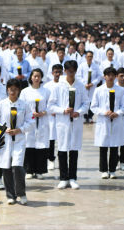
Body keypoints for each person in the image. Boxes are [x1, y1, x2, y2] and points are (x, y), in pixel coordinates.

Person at [48, 60, 89, 190]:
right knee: (62, 149)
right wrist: (63, 111)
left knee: (74, 149)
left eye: (73, 71)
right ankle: (63, 178)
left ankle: (73, 178)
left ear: (76, 71)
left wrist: (79, 112)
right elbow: (51, 105)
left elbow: (86, 103)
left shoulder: (80, 85)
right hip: (63, 121)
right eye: (69, 71)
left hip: (76, 122)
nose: (71, 73)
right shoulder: (58, 86)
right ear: (65, 71)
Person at [0, 78, 34, 205]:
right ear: (7, 90)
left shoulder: (24, 105)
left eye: (15, 89)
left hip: (19, 140)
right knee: (6, 167)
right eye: (10, 89)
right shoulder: (2, 104)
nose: (12, 92)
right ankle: (11, 195)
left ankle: (21, 193)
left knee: (17, 166)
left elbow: (30, 122)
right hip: (6, 140)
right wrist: (4, 129)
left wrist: (20, 129)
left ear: (19, 90)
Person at [90, 67, 124, 179]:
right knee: (103, 146)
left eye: (112, 75)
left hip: (116, 120)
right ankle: (104, 170)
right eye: (108, 75)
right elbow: (93, 107)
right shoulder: (98, 90)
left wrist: (118, 112)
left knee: (115, 146)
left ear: (115, 77)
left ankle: (112, 170)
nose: (110, 77)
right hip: (104, 120)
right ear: (104, 76)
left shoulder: (120, 90)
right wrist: (103, 112)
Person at [20, 68, 51, 179]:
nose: (36, 78)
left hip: (42, 121)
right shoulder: (25, 91)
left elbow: (51, 105)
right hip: (30, 120)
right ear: (31, 78)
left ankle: (40, 170)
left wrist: (44, 112)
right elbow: (21, 106)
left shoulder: (46, 91)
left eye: (38, 76)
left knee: (41, 146)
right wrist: (30, 113)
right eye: (34, 76)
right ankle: (29, 170)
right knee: (29, 144)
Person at [43, 64, 64, 170]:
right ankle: (51, 159)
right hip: (50, 116)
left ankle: (62, 160)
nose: (58, 74)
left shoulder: (65, 85)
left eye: (59, 72)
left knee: (62, 139)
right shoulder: (47, 86)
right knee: (51, 139)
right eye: (56, 72)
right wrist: (50, 110)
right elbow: (45, 102)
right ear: (52, 73)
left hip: (62, 115)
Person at [77, 51, 102, 123]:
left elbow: (99, 76)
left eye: (91, 56)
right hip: (84, 86)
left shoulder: (96, 66)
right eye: (88, 56)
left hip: (92, 87)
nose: (89, 58)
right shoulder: (82, 65)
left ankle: (90, 116)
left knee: (92, 101)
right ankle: (84, 116)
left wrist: (93, 83)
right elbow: (78, 76)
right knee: (84, 101)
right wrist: (85, 84)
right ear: (85, 57)